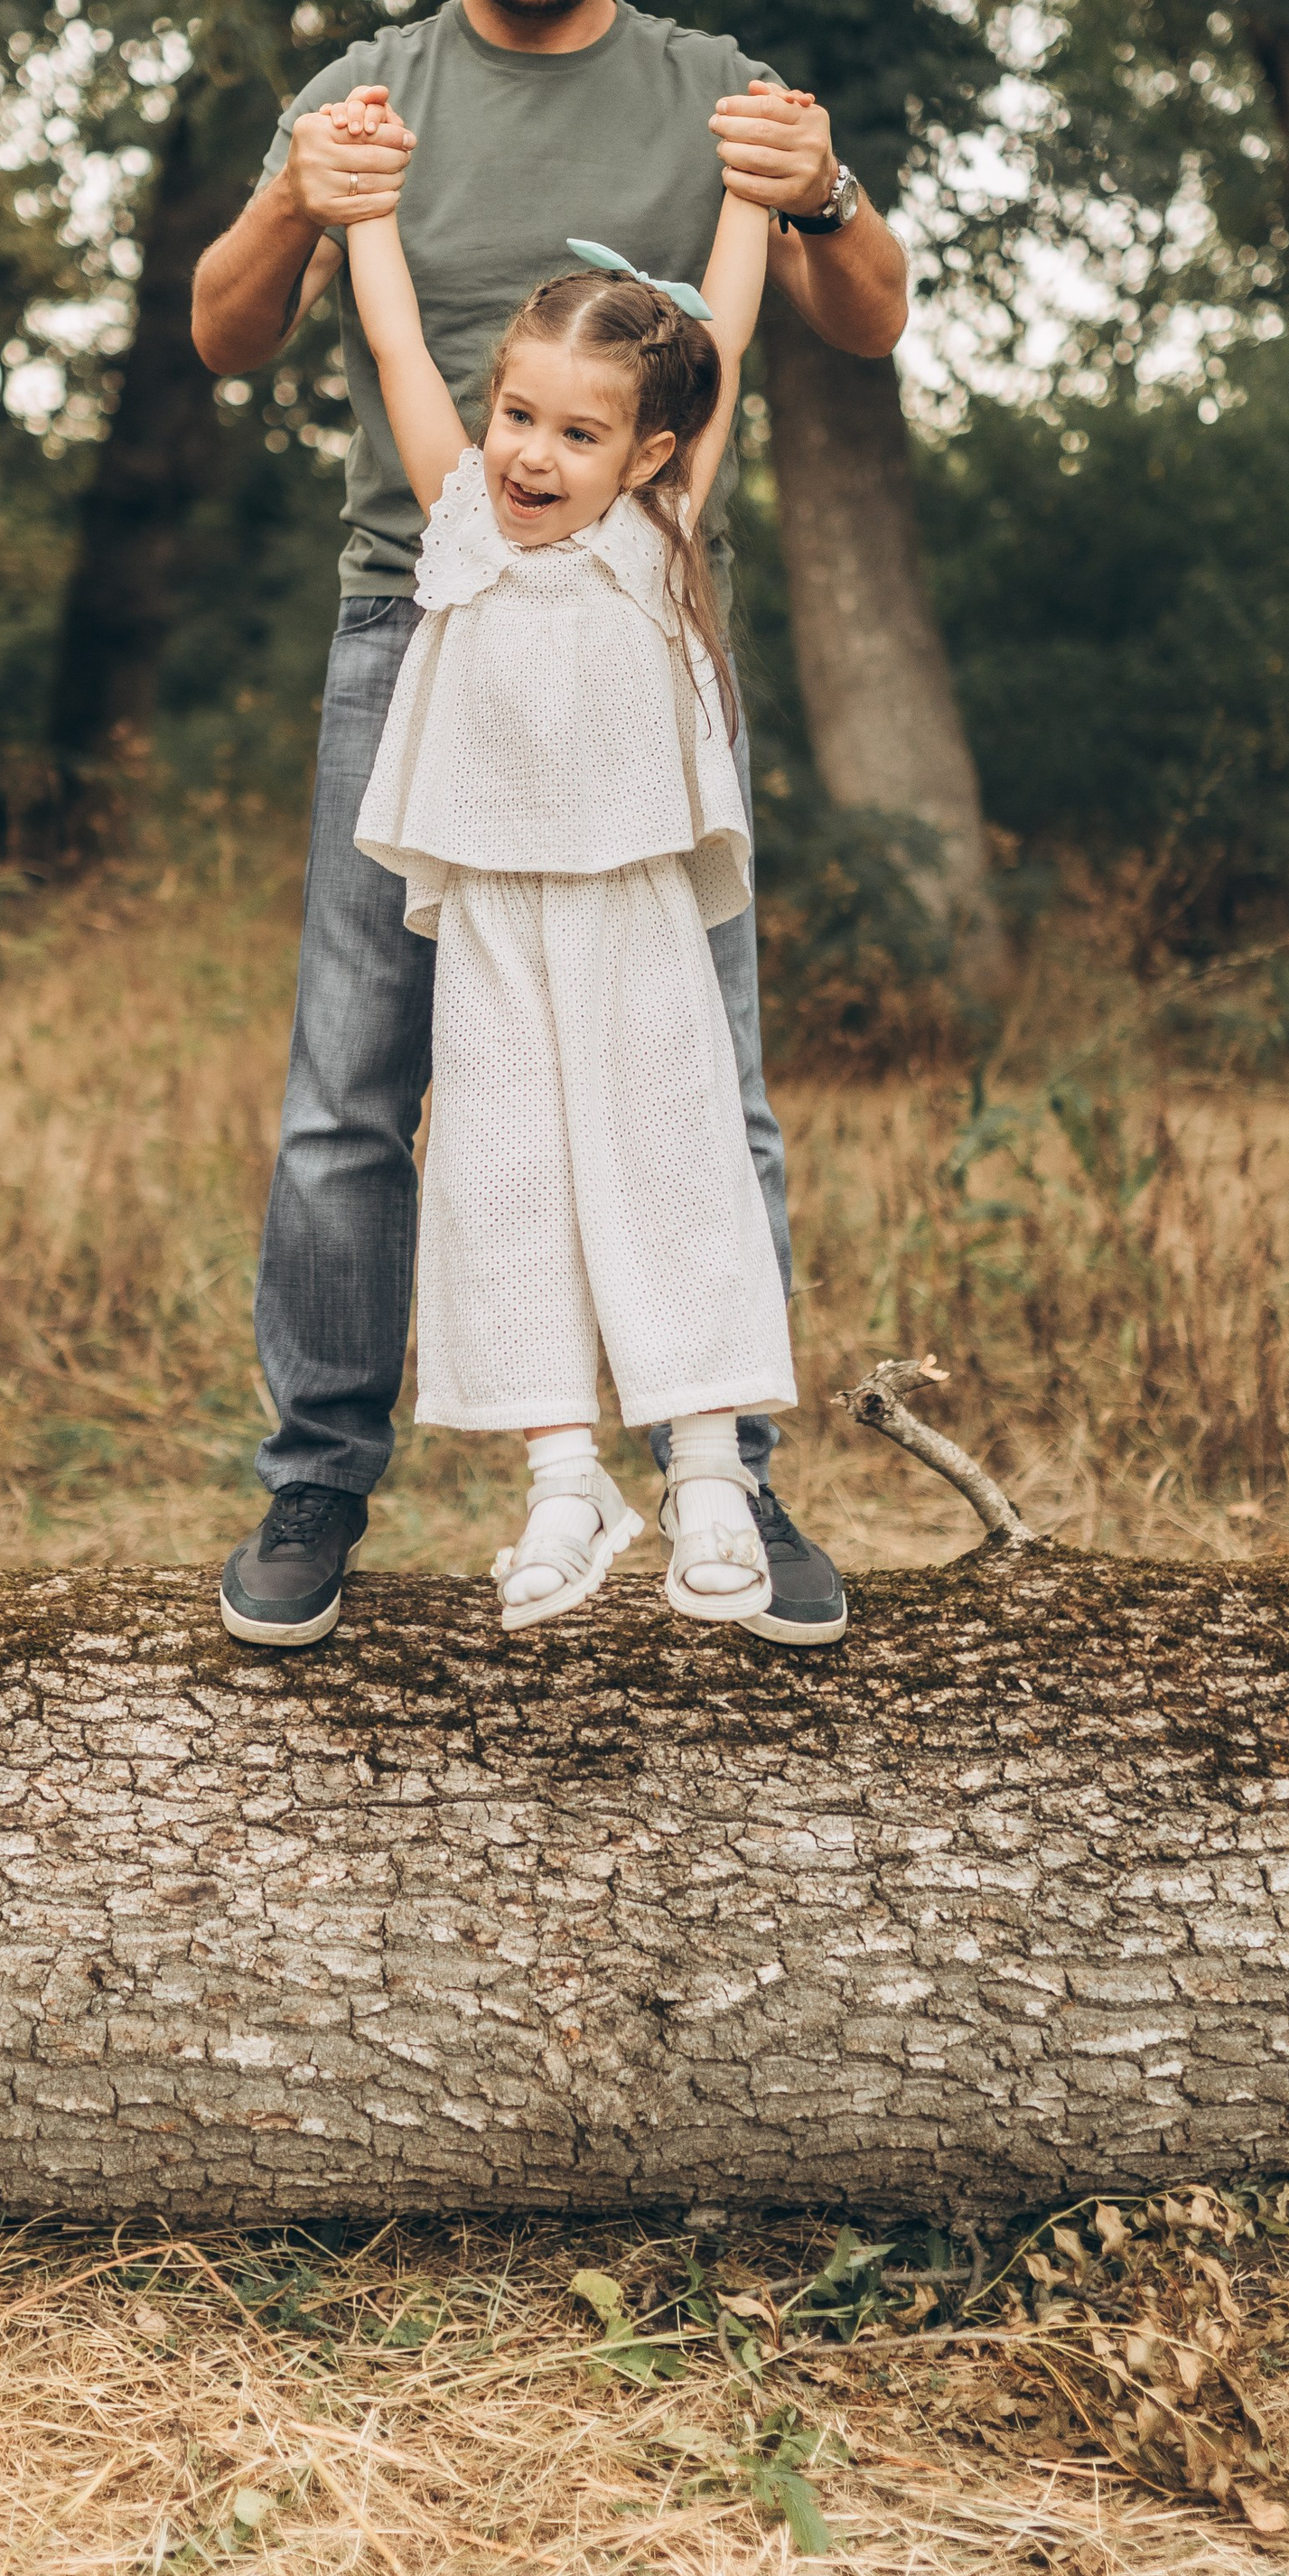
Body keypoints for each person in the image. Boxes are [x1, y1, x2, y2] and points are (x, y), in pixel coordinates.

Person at [194, 0, 910, 1649]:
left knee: (701, 1077)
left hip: (647, 652)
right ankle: (314, 1492)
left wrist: (825, 190)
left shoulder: (709, 89)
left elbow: (855, 314)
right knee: (357, 1089)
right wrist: (300, 195)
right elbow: (223, 328)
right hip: (405, 639)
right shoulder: (370, 86)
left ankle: (726, 1485)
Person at [339, 102, 818, 1631]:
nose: (537, 454)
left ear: (647, 452)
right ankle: (564, 1479)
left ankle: (706, 1471)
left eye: (580, 431)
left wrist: (750, 201)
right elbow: (405, 356)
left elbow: (723, 339)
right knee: (504, 1171)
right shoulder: (465, 527)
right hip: (493, 913)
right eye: (521, 416)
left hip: (629, 913)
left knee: (668, 1158)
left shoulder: (654, 530)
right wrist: (364, 219)